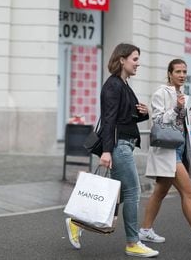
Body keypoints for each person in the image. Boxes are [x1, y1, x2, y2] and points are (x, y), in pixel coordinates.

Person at [65, 43, 159, 258]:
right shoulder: (113, 86)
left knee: (119, 194)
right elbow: (108, 120)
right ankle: (133, 242)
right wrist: (107, 151)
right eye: (135, 59)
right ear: (122, 60)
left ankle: (76, 221)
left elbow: (128, 117)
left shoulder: (124, 85)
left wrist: (144, 113)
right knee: (133, 192)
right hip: (118, 146)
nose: (138, 63)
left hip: (125, 144)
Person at [139, 58, 191, 248]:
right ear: (169, 73)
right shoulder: (161, 93)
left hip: (180, 147)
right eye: (178, 72)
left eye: (184, 72)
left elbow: (181, 121)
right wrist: (177, 107)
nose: (182, 75)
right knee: (188, 192)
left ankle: (145, 230)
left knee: (159, 193)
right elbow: (158, 121)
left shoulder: (180, 93)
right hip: (168, 150)